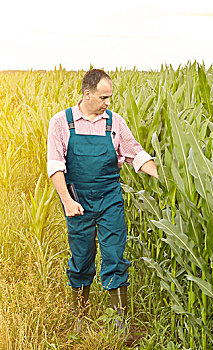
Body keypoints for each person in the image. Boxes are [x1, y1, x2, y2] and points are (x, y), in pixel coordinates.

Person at [47, 69, 158, 334]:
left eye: (109, 97)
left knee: (115, 256)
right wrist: (67, 201)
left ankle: (119, 322)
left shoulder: (114, 122)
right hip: (78, 201)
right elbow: (55, 166)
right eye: (103, 97)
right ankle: (80, 317)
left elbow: (135, 153)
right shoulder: (62, 122)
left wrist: (163, 177)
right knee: (81, 258)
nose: (108, 103)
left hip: (109, 200)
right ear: (87, 94)